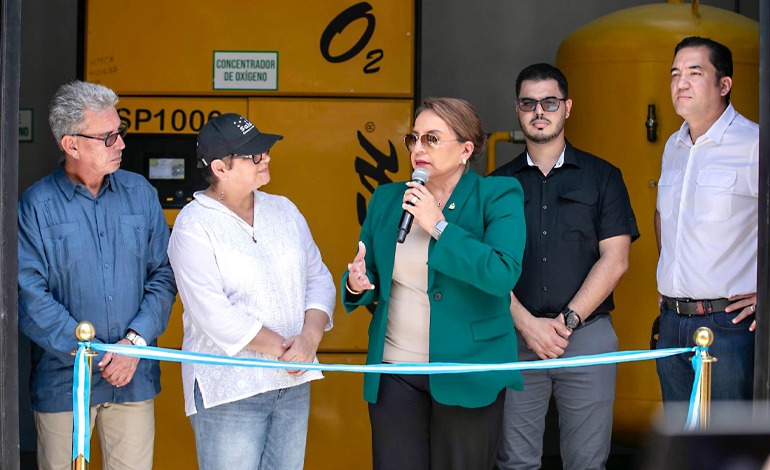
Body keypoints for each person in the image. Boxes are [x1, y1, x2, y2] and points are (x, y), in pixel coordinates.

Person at [342, 97, 526, 470]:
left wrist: (438, 226)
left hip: (467, 372)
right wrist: (358, 283)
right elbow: (370, 271)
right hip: (395, 371)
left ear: (466, 149)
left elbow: (501, 273)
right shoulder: (388, 198)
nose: (418, 149)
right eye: (414, 139)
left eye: (431, 139)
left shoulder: (499, 195)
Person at [17, 81, 177, 470]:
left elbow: (164, 275)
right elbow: (29, 295)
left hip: (132, 377)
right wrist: (95, 354)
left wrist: (133, 344)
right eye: (108, 137)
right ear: (72, 145)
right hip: (64, 383)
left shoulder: (140, 193)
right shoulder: (36, 205)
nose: (120, 144)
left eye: (119, 133)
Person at [167, 113, 335, 470]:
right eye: (254, 155)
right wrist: (285, 350)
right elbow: (212, 313)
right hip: (230, 390)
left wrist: (309, 339)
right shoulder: (193, 225)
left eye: (266, 150)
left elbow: (318, 278)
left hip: (292, 382)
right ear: (220, 167)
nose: (267, 158)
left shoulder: (284, 210)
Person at [491, 63, 639, 470]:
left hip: (587, 336)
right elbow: (484, 267)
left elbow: (617, 259)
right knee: (515, 462)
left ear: (567, 107)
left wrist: (567, 322)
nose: (540, 110)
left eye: (550, 102)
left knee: (587, 462)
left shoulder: (603, 177)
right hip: (517, 339)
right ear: (518, 110)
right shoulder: (496, 184)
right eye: (529, 103)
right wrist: (527, 325)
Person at [654, 37, 758, 414]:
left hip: (728, 326)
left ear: (724, 84)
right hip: (672, 324)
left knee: (726, 451)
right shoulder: (673, 147)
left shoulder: (754, 144)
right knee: (684, 450)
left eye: (695, 73)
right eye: (675, 73)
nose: (681, 83)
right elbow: (664, 216)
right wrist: (672, 276)